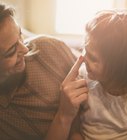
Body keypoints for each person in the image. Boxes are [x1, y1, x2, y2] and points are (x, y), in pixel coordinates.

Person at [0, 2, 80, 140]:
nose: (25, 50)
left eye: (20, 35)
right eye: (12, 50)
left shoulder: (48, 46)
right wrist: (64, 115)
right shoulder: (5, 120)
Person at [61, 9, 127, 140]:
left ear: (120, 68)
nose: (83, 59)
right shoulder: (83, 79)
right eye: (84, 49)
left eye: (92, 57)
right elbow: (74, 124)